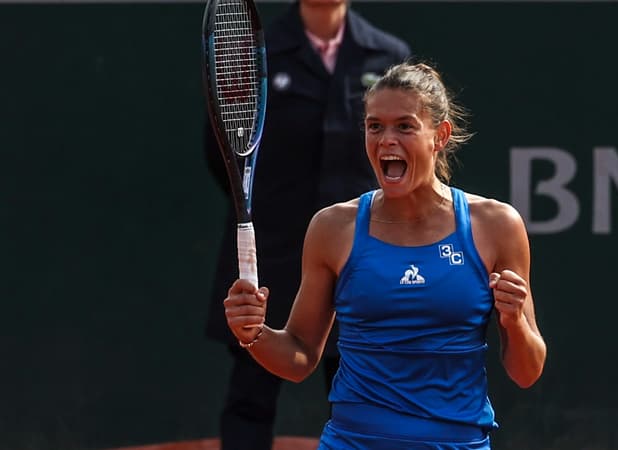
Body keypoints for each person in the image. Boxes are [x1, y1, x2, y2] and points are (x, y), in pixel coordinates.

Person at [223, 62, 547, 449]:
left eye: (405, 126)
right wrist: (254, 335)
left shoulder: (496, 225)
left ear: (440, 136)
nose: (386, 140)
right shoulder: (332, 228)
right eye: (374, 126)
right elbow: (300, 356)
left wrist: (514, 320)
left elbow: (527, 372)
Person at [204, 1, 410, 448]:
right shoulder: (257, 53)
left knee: (361, 403)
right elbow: (223, 151)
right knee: (250, 398)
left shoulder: (389, 54)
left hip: (358, 261)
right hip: (273, 259)